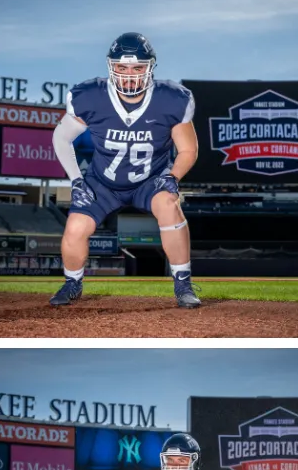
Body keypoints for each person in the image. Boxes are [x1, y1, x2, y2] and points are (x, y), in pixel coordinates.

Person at [50, 33, 201, 309]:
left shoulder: (172, 99)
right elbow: (61, 137)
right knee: (74, 227)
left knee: (169, 204)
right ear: (111, 67)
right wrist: (76, 181)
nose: (129, 74)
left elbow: (188, 150)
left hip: (150, 180)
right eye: (122, 67)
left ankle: (183, 284)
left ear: (150, 67)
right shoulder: (91, 96)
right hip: (103, 183)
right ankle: (72, 283)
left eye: (137, 67)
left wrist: (172, 176)